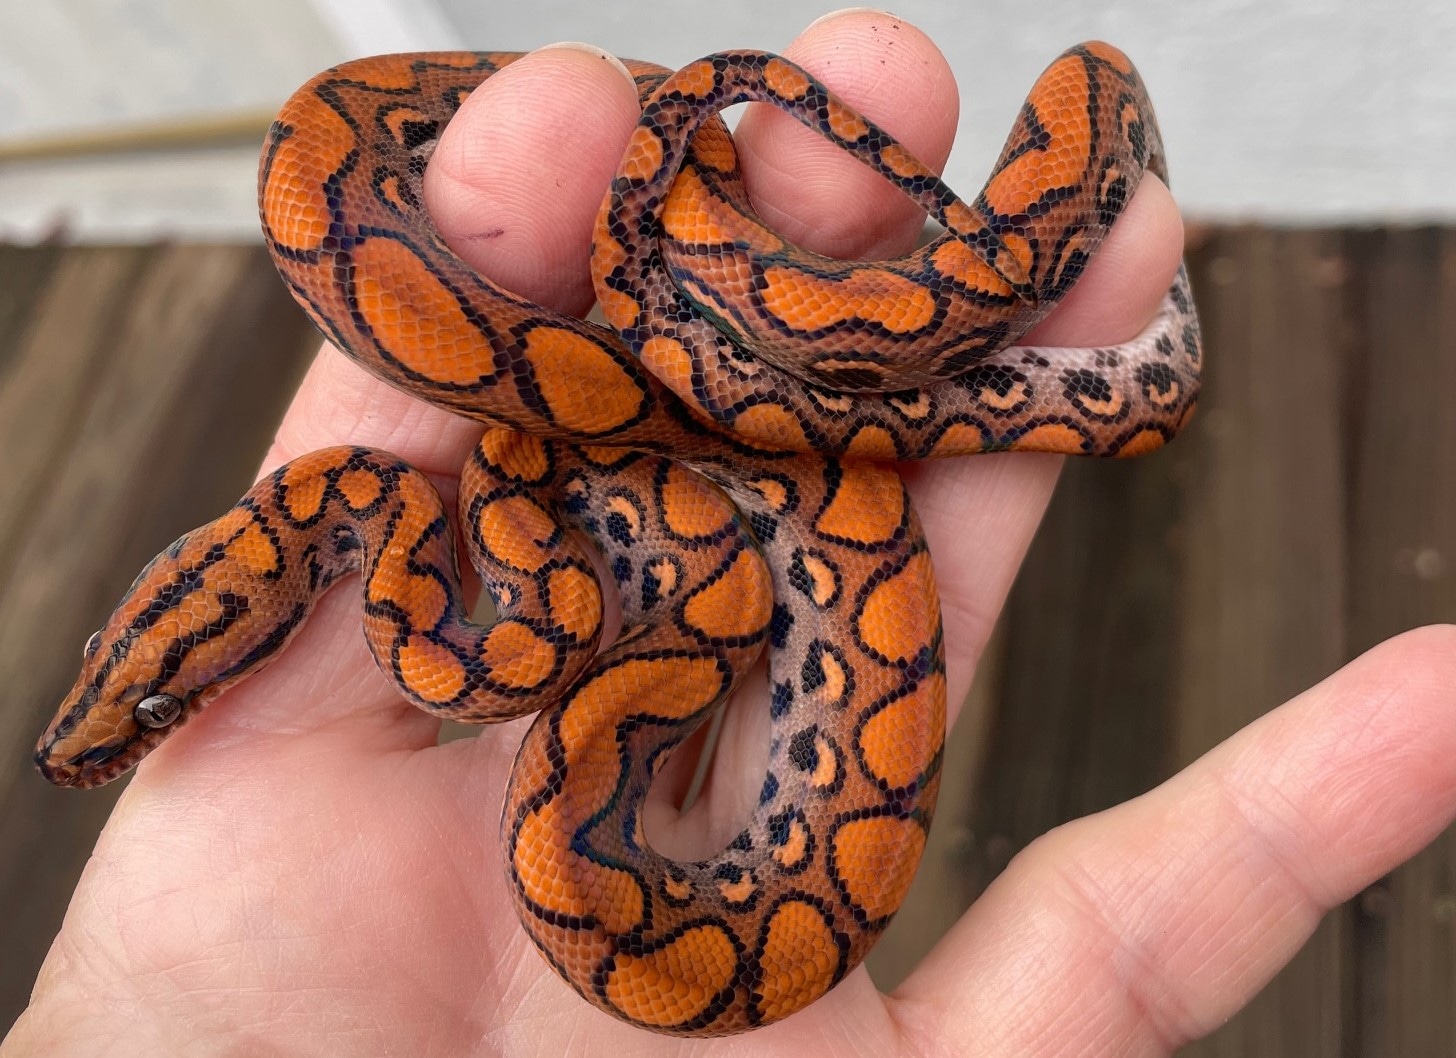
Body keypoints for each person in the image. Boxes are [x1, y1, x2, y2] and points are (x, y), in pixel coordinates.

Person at [8, 10, 1454, 1055]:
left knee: (962, 241)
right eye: (148, 700)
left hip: (694, 445)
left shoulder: (446, 546)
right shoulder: (468, 581)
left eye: (141, 688)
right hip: (711, 608)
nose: (122, 726)